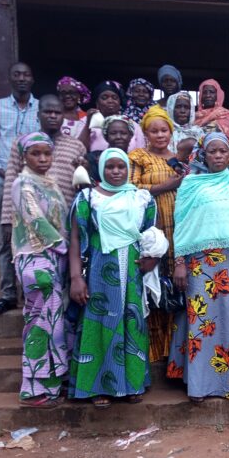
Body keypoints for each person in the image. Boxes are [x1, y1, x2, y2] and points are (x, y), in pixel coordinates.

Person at [167, 132, 229, 400]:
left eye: (223, 151)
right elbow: (182, 225)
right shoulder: (190, 185)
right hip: (200, 263)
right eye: (213, 151)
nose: (219, 156)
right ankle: (201, 385)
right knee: (203, 321)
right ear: (203, 155)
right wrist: (179, 263)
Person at [68, 148, 166, 408]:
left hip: (132, 270)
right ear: (100, 170)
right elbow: (76, 239)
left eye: (120, 167)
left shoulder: (141, 199)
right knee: (100, 322)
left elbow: (151, 234)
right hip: (101, 269)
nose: (115, 171)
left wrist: (152, 259)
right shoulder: (88, 198)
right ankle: (99, 386)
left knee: (132, 322)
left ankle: (132, 384)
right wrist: (76, 277)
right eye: (109, 167)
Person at [10, 132, 69, 408]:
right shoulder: (22, 184)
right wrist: (66, 248)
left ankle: (53, 384)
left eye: (47, 153)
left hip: (53, 259)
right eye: (36, 153)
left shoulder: (50, 183)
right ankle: (33, 389)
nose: (43, 158)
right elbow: (36, 221)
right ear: (24, 156)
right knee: (40, 323)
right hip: (36, 260)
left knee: (54, 323)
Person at [0, 61, 39, 315]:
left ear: (32, 79)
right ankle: (8, 294)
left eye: (26, 74)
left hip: (35, 186)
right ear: (10, 79)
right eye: (17, 74)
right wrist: (2, 170)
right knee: (6, 240)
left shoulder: (42, 108)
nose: (22, 78)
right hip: (3, 183)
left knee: (34, 239)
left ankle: (31, 292)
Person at [129, 105, 185, 363]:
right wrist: (168, 185)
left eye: (164, 130)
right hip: (152, 228)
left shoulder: (179, 160)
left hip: (177, 228)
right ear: (146, 133)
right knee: (152, 282)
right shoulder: (138, 157)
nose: (160, 135)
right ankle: (152, 350)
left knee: (173, 285)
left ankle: (172, 350)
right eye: (154, 131)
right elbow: (132, 190)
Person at [1, 95, 86, 229]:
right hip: (29, 216)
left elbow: (80, 187)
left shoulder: (77, 146)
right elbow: (11, 178)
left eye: (57, 113)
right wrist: (7, 220)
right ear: (38, 115)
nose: (52, 116)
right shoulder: (22, 143)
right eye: (47, 112)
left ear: (63, 116)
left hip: (65, 217)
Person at [79, 81, 145, 153]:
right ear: (97, 103)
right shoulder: (85, 121)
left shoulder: (132, 125)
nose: (110, 101)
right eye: (104, 98)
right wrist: (88, 124)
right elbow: (79, 149)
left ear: (120, 102)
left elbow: (141, 153)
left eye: (114, 97)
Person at [84, 115, 135, 183]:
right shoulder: (93, 158)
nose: (118, 137)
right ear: (106, 136)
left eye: (123, 133)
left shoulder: (136, 160)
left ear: (130, 136)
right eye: (113, 133)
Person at [165, 91, 204, 157]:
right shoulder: (164, 131)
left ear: (191, 110)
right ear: (171, 108)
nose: (182, 111)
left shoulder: (198, 132)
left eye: (186, 107)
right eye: (178, 107)